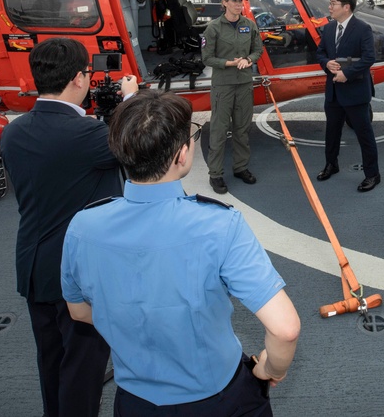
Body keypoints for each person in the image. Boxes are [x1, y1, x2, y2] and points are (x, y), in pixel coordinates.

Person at [61, 90, 300, 415]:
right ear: (182, 155)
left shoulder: (82, 226)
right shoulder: (220, 224)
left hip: (135, 400)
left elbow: (79, 312)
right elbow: (285, 329)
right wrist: (271, 370)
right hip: (220, 398)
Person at [0, 37, 138, 417]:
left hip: (34, 266)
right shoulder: (88, 136)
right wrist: (129, 100)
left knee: (52, 363)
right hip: (78, 274)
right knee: (82, 371)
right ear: (79, 78)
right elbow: (139, 145)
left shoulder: (14, 131)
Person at [316, 0, 380, 192]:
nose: (329, 7)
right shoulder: (328, 28)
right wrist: (327, 63)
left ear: (346, 6)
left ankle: (372, 174)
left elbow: (370, 57)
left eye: (333, 3)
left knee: (364, 135)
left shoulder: (363, 28)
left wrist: (347, 73)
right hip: (333, 92)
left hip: (355, 92)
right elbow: (320, 53)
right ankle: (331, 164)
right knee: (332, 132)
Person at [202, 0, 263, 194]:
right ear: (224, 3)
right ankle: (216, 174)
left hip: (244, 84)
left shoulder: (249, 25)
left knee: (242, 129)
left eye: (240, 1)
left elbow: (258, 49)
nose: (238, 5)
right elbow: (206, 58)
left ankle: (240, 167)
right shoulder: (213, 28)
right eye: (234, 1)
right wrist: (229, 63)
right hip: (223, 85)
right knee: (219, 130)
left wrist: (248, 59)